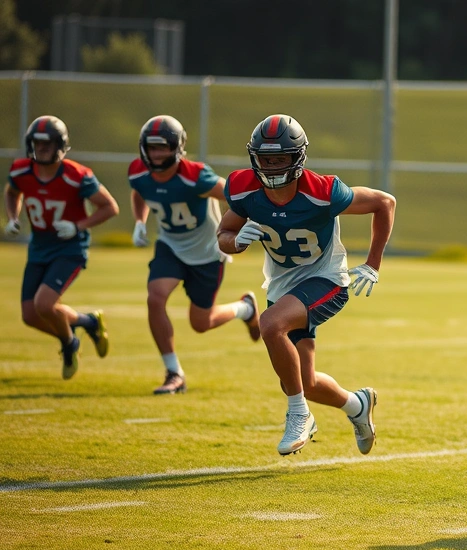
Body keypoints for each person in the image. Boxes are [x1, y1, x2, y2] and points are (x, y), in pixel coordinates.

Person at [217, 114, 396, 456]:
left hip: (325, 280)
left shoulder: (323, 191)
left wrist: (373, 264)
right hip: (282, 286)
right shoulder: (244, 189)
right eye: (266, 159)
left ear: (297, 157)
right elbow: (223, 234)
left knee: (270, 325)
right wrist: (236, 241)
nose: (272, 167)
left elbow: (384, 202)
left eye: (280, 158)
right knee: (303, 381)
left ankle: (299, 415)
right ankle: (357, 405)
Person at [130, 115, 261, 395]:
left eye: (163, 147)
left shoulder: (195, 176)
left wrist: (240, 225)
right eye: (152, 147)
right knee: (155, 297)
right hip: (171, 246)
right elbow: (139, 192)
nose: (157, 154)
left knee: (201, 323)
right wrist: (140, 221)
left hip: (207, 252)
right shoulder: (138, 172)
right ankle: (174, 372)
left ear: (176, 148)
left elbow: (232, 194)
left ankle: (245, 309)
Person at [3, 115, 119, 379]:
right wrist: (12, 217)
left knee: (44, 305)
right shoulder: (21, 170)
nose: (42, 149)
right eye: (37, 143)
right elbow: (11, 192)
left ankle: (70, 343)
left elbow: (110, 207)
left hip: (69, 248)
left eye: (48, 144)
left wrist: (78, 226)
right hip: (39, 246)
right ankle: (88, 322)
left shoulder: (77, 175)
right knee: (30, 315)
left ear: (60, 145)